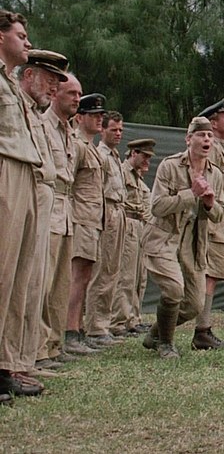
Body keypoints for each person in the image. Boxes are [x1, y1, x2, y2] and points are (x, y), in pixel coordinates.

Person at [141, 117, 224, 359]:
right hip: (164, 235)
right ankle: (166, 344)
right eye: (201, 135)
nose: (207, 139)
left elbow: (219, 214)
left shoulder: (215, 174)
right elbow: (157, 206)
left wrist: (209, 203)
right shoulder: (170, 166)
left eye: (210, 136)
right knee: (174, 289)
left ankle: (155, 333)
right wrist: (191, 194)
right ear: (189, 139)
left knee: (195, 304)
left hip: (193, 240)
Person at [15, 49, 67, 383]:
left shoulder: (35, 114)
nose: (54, 88)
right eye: (49, 79)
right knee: (21, 283)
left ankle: (24, 358)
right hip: (26, 194)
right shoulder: (18, 107)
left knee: (36, 285)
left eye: (57, 82)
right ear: (29, 75)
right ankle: (15, 361)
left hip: (45, 199)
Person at [0, 9, 43, 401]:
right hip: (6, 170)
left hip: (25, 171)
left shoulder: (10, 83)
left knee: (17, 277)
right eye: (20, 35)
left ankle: (6, 364)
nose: (27, 42)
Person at [42, 74, 89, 358]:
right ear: (55, 93)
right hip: (50, 205)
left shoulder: (69, 132)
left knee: (61, 284)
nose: (77, 99)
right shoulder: (44, 126)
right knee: (43, 282)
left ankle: (52, 345)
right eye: (72, 93)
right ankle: (37, 349)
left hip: (66, 210)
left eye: (79, 94)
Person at [194, 98, 224, 350]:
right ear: (213, 122)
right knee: (208, 275)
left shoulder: (221, 150)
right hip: (213, 225)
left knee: (212, 275)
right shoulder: (212, 149)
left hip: (221, 222)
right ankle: (201, 329)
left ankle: (203, 327)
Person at [67, 92, 107, 352]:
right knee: (77, 277)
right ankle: (70, 331)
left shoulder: (90, 148)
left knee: (86, 277)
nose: (99, 119)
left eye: (101, 115)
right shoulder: (78, 145)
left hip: (92, 220)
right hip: (80, 219)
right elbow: (68, 184)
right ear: (79, 118)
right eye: (93, 115)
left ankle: (78, 329)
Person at [86, 110, 128, 345]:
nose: (118, 134)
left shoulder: (114, 156)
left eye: (121, 130)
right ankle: (96, 326)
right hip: (107, 211)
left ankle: (105, 322)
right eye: (114, 129)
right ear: (102, 130)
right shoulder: (101, 155)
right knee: (102, 271)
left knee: (113, 271)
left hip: (119, 210)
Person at [112, 138, 155, 337]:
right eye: (144, 156)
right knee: (126, 276)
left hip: (140, 225)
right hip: (128, 223)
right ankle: (119, 321)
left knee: (139, 276)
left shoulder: (138, 178)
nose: (147, 161)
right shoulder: (121, 172)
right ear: (133, 153)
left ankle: (134, 318)